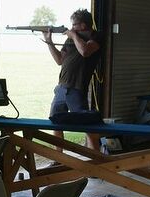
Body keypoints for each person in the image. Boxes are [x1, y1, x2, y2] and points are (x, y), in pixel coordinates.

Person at [42, 8, 106, 149]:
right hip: (61, 88)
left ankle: (96, 160)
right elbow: (59, 60)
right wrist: (49, 42)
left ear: (83, 26)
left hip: (76, 88)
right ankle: (58, 159)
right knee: (56, 123)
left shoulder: (96, 36)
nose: (71, 28)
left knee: (87, 126)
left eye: (74, 25)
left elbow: (85, 51)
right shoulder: (71, 39)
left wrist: (73, 35)